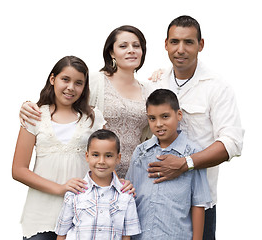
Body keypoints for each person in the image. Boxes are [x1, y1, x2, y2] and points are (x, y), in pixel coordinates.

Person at [147, 15, 244, 239]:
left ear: (201, 45)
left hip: (199, 202)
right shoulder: (154, 83)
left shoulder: (217, 87)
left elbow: (232, 143)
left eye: (188, 42)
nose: (180, 49)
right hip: (157, 199)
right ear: (165, 44)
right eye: (174, 42)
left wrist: (185, 164)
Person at [19, 25, 150, 179]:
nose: (131, 50)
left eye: (136, 46)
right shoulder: (95, 81)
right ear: (111, 53)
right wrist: (29, 105)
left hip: (136, 173)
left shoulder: (149, 90)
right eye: (123, 46)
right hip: (96, 174)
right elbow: (65, 101)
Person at [13, 56, 108, 239]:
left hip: (82, 215)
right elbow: (18, 169)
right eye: (65, 79)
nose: (71, 87)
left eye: (78, 83)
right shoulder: (34, 115)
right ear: (52, 79)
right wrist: (60, 188)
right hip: (40, 215)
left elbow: (104, 162)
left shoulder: (94, 118)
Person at [126, 89, 212, 240]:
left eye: (165, 116)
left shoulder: (193, 154)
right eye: (152, 118)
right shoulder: (140, 153)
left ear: (179, 115)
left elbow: (198, 204)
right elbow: (129, 196)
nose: (158, 124)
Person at [55, 129, 141, 240]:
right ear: (87, 156)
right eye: (95, 155)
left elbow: (126, 236)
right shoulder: (75, 192)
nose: (101, 161)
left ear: (118, 158)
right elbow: (62, 233)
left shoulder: (126, 195)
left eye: (108, 156)